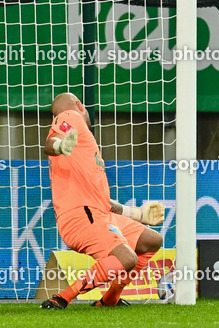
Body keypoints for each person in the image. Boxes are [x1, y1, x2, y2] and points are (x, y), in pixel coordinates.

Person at [40, 93, 166, 308]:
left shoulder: (84, 148)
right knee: (127, 259)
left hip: (99, 213)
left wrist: (139, 214)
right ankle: (62, 297)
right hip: (82, 215)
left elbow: (104, 201)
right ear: (80, 105)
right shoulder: (70, 115)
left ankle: (110, 298)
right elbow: (51, 142)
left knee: (151, 241)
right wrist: (60, 146)